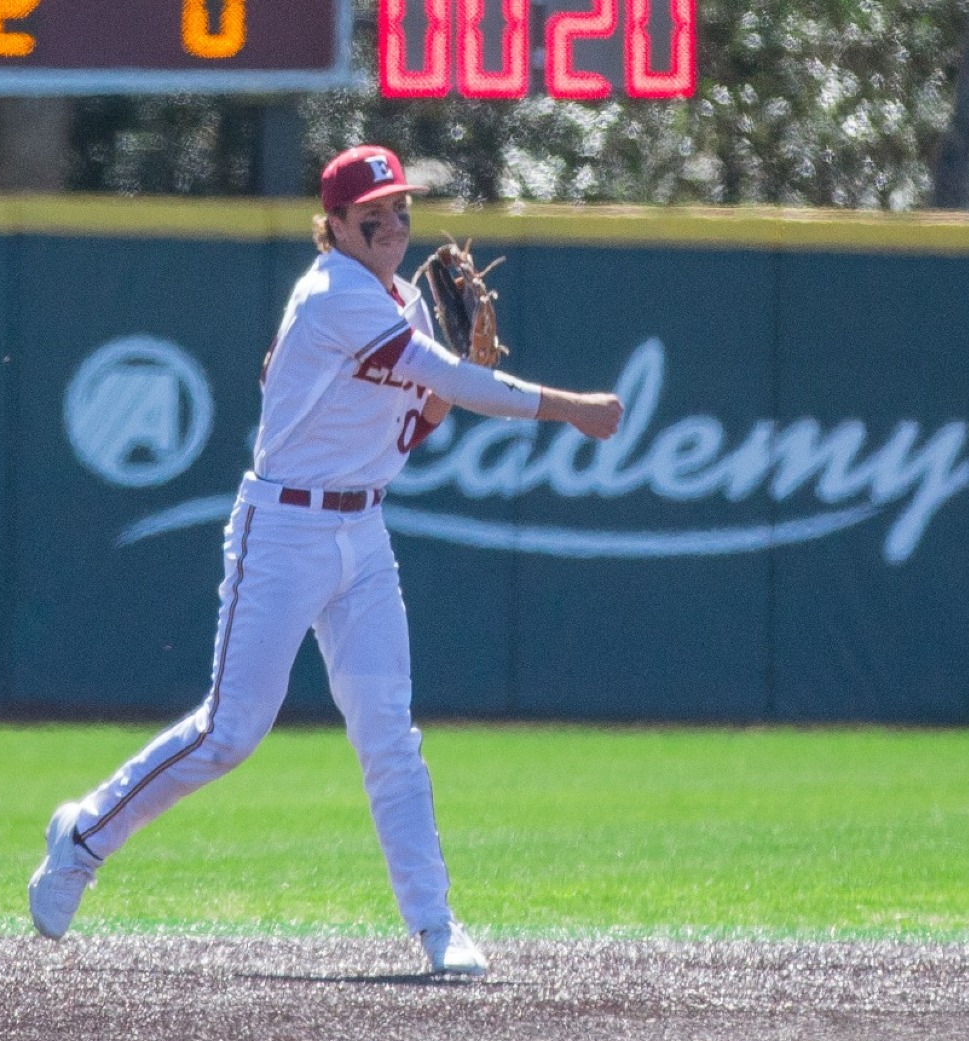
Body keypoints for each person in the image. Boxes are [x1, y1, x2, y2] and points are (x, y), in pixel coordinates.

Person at [30, 145, 625, 976]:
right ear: (334, 226)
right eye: (370, 217)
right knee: (231, 732)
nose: (390, 228)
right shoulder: (332, 296)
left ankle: (435, 926)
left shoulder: (401, 299)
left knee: (389, 734)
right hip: (282, 533)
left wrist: (457, 386)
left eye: (400, 213)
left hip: (362, 534)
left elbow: (417, 422)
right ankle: (84, 835)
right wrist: (570, 409)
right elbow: (441, 377)